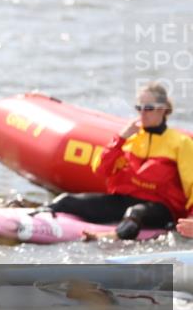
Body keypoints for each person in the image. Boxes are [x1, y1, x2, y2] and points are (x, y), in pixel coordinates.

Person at [46, 83, 193, 239]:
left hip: (162, 209)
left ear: (162, 109)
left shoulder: (181, 143)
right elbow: (101, 169)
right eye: (139, 108)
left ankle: (107, 236)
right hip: (124, 200)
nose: (143, 113)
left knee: (136, 212)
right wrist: (120, 139)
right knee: (65, 201)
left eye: (148, 108)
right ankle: (30, 213)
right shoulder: (130, 140)